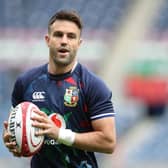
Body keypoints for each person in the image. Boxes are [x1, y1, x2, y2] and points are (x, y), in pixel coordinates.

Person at [3, 10, 116, 168]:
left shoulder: (92, 85)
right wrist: (13, 141)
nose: (64, 41)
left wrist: (59, 134)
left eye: (71, 36)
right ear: (48, 40)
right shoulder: (26, 82)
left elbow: (108, 142)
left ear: (79, 43)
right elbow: (14, 128)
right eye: (58, 35)